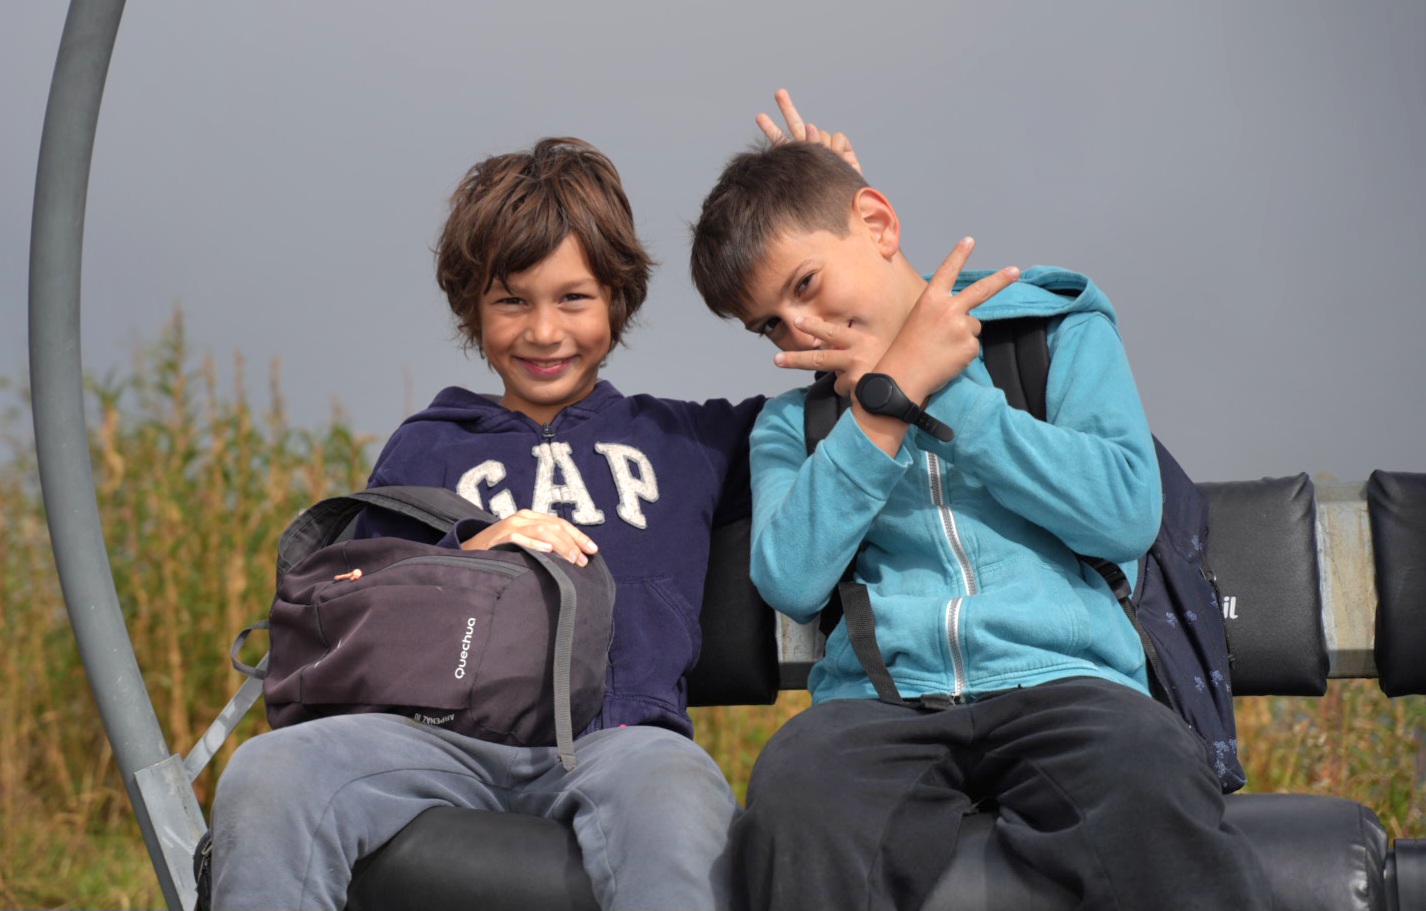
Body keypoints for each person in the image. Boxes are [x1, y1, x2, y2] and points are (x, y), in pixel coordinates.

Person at [688, 93, 1271, 910]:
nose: (800, 331)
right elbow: (790, 576)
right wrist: (878, 412)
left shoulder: (1053, 329)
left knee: (1150, 781)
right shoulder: (798, 421)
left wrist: (947, 395)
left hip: (1072, 686)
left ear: (879, 225)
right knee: (796, 795)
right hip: (879, 710)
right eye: (770, 325)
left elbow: (1125, 511)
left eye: (808, 286)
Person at [209, 137, 764, 911]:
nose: (543, 332)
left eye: (573, 298)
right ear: (474, 307)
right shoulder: (427, 443)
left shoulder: (688, 442)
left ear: (618, 297)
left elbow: (843, 393)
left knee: (677, 788)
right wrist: (472, 551)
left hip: (620, 742)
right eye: (513, 301)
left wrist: (819, 217)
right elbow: (367, 609)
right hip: (433, 741)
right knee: (271, 772)